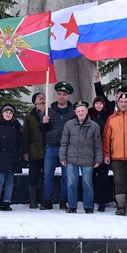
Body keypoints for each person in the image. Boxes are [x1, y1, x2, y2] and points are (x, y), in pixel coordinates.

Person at [60, 100, 102, 213]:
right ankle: (72, 206)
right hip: (71, 158)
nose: (81, 112)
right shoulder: (69, 124)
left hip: (88, 159)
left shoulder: (94, 126)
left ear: (87, 111)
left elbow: (98, 144)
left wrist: (98, 159)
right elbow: (64, 142)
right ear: (76, 112)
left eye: (83, 110)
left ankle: (88, 206)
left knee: (87, 184)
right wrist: (62, 157)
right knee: (71, 183)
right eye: (78, 111)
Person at [103, 92, 127, 217]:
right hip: (116, 156)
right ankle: (120, 207)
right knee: (119, 182)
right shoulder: (111, 119)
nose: (123, 104)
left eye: (126, 102)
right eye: (121, 102)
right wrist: (106, 154)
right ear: (117, 103)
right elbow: (106, 138)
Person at [40, 81, 75, 210]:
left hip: (67, 149)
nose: (61, 96)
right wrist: (43, 122)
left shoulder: (73, 113)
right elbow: (41, 130)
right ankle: (48, 199)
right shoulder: (49, 111)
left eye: (64, 94)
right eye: (59, 94)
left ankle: (63, 199)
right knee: (48, 174)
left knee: (66, 176)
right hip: (51, 147)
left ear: (68, 97)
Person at [0, 104, 24, 211]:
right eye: (6, 112)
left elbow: (21, 141)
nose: (8, 114)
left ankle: (7, 201)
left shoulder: (16, 125)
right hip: (1, 156)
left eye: (10, 113)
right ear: (2, 113)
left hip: (13, 155)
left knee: (10, 179)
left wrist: (19, 152)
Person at [23, 92, 47, 209]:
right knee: (33, 175)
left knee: (46, 175)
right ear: (34, 101)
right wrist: (25, 151)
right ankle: (33, 200)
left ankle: (44, 199)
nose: (42, 97)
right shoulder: (29, 116)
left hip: (47, 150)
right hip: (34, 151)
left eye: (43, 96)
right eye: (38, 96)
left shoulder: (50, 112)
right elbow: (25, 135)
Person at [88, 95, 112, 212]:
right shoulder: (89, 115)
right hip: (90, 151)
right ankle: (92, 199)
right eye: (96, 103)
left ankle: (102, 201)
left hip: (103, 149)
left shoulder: (108, 116)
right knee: (91, 177)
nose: (98, 106)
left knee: (102, 177)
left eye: (100, 104)